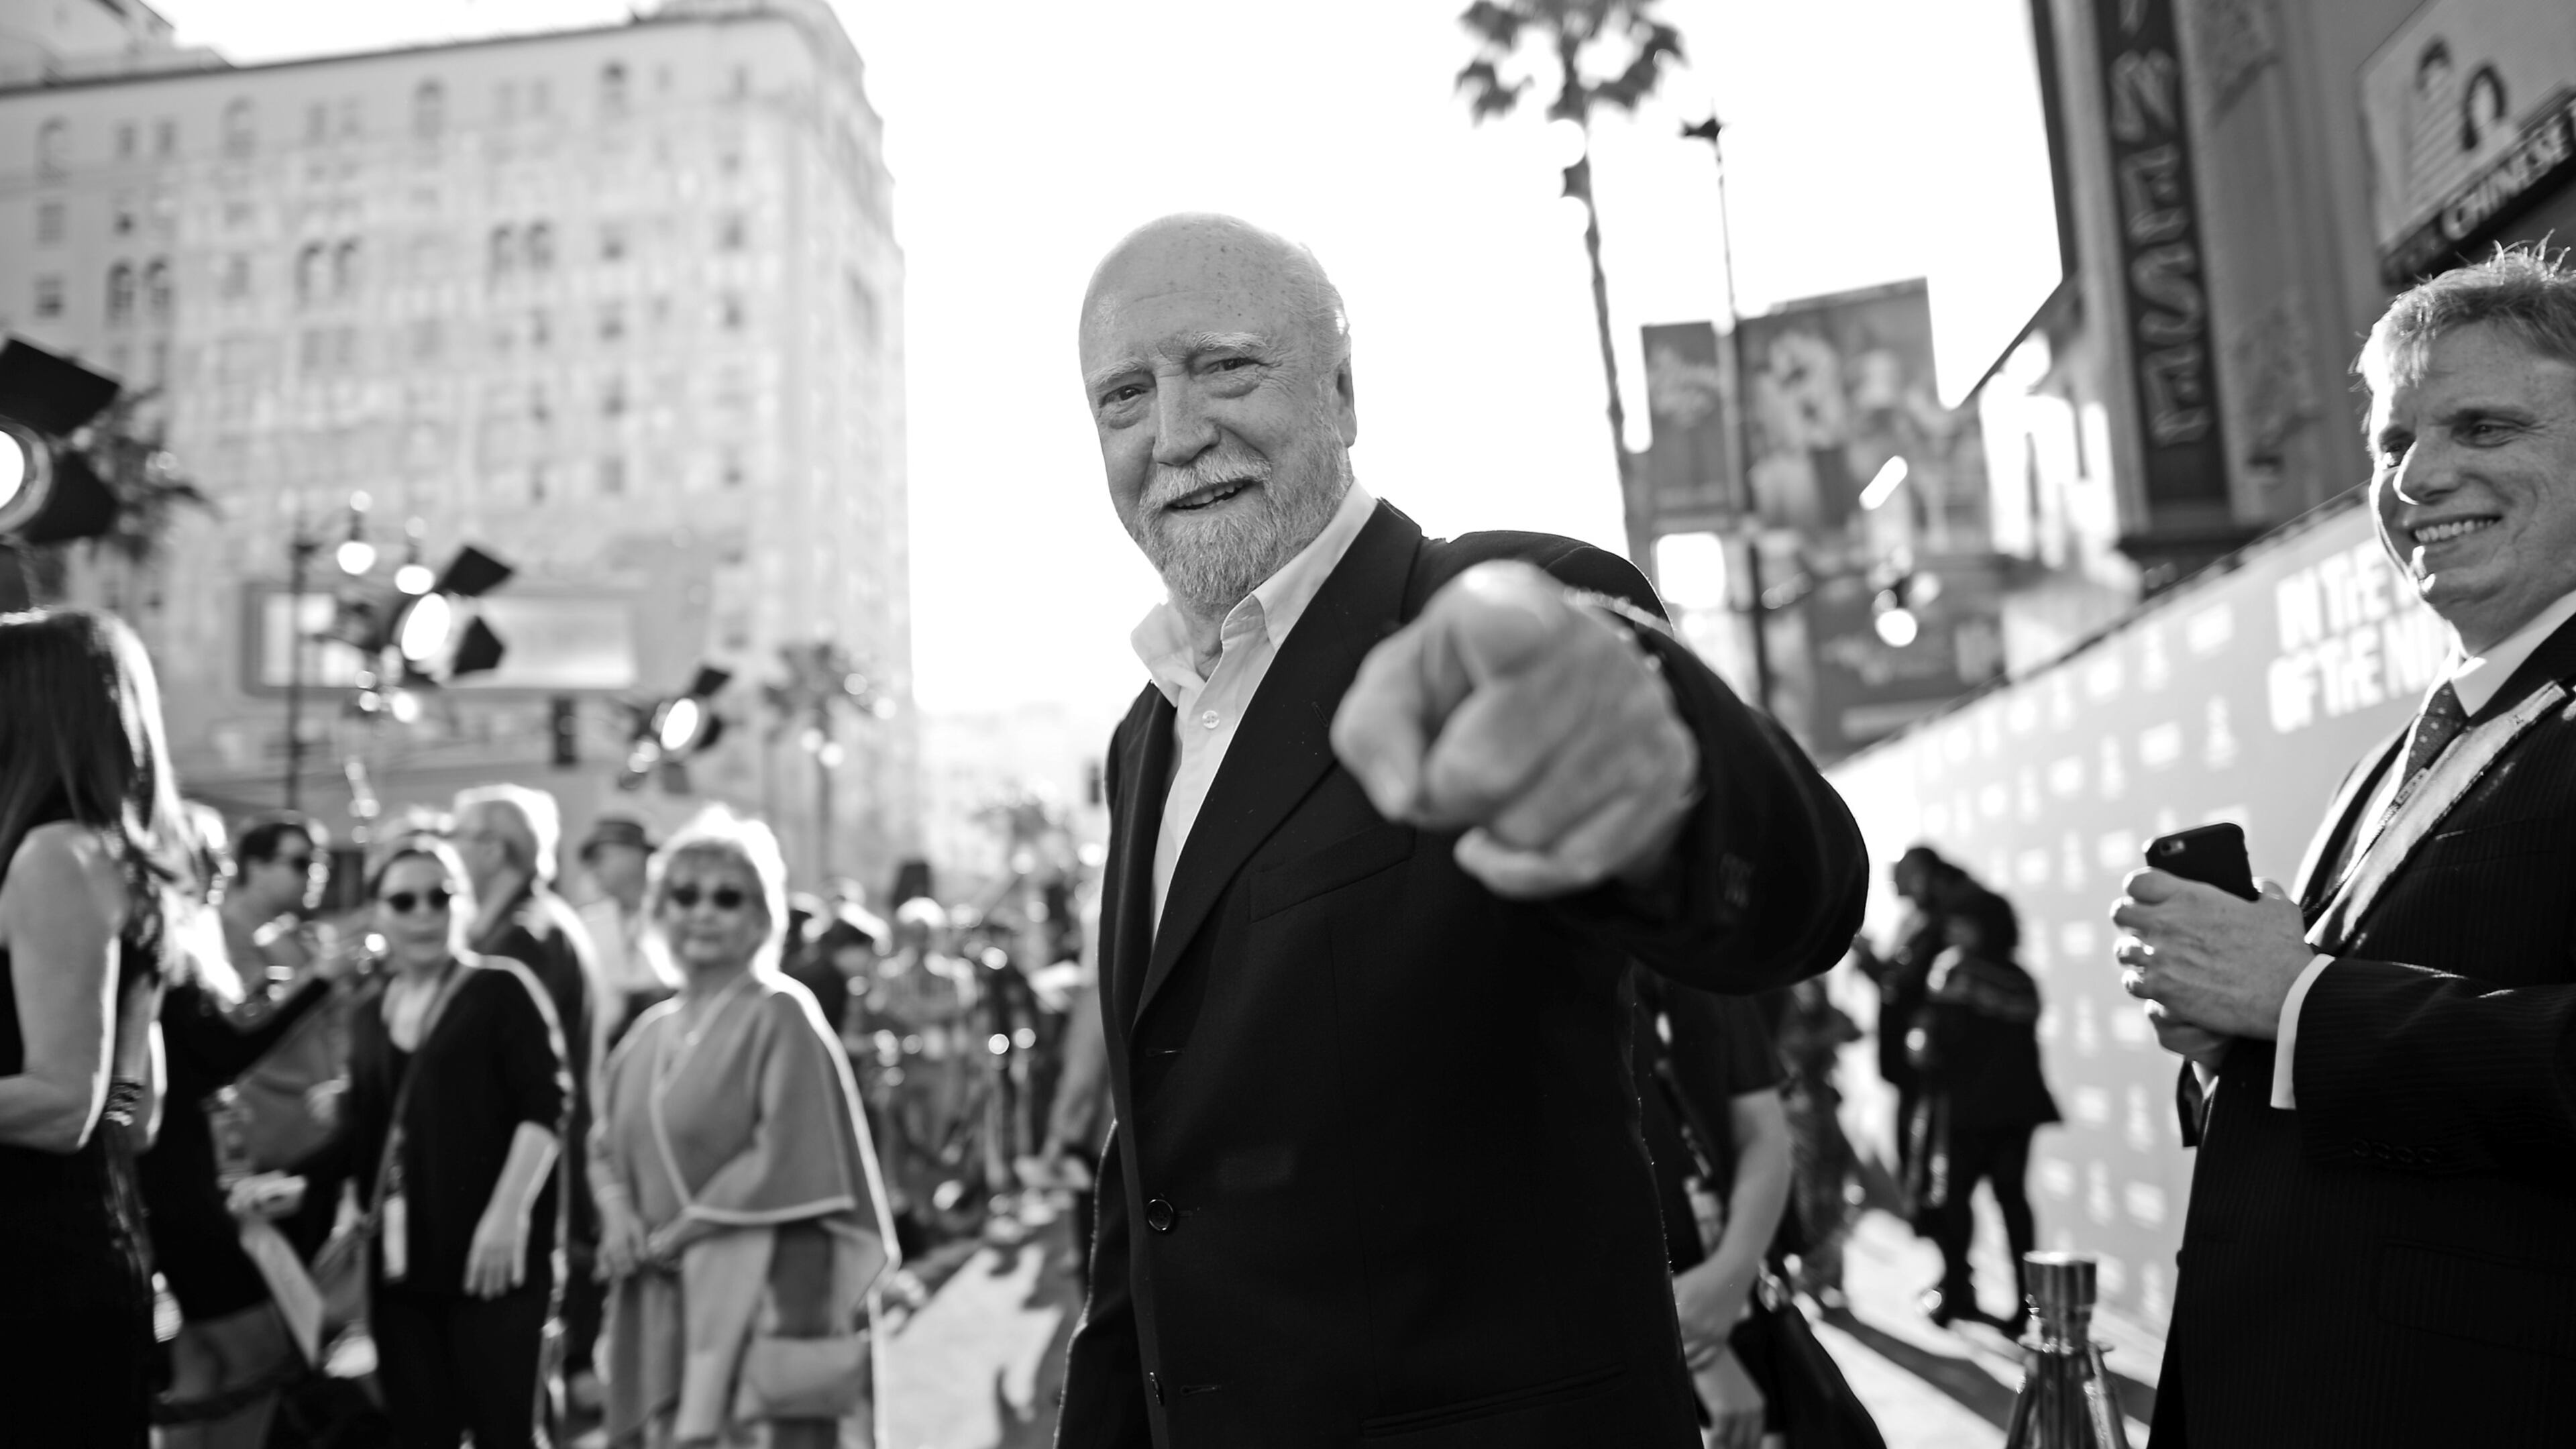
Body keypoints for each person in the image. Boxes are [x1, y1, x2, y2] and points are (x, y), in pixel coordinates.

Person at [1057, 214, 1867, 1447]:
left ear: (1341, 392)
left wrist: (1645, 754)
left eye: (1225, 366)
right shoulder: (1143, 738)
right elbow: (1152, 1185)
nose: (1174, 434)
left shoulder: (1506, 606)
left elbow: (1790, 896)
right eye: (1125, 395)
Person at [2114, 248, 2576, 1445]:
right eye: (2391, 442)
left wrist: (2304, 1002)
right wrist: (2236, 1034)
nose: (2420, 475)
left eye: (2484, 425)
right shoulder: (2413, 744)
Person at [590, 811, 896, 1449]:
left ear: (762, 916)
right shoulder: (649, 1030)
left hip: (763, 1299)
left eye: (727, 897)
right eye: (684, 895)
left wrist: (689, 1228)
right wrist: (617, 1212)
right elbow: (602, 1145)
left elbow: (791, 1149)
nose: (702, 912)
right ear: (658, 910)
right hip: (660, 1289)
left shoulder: (781, 1010)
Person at [297, 837, 569, 1448]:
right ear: (378, 913)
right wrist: (292, 1181)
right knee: (422, 1432)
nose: (424, 913)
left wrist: (508, 1216)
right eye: (404, 900)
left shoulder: (501, 988)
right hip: (401, 1270)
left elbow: (546, 1104)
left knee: (506, 1433)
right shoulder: (370, 1011)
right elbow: (365, 1135)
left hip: (492, 1261)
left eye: (440, 897)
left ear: (463, 904)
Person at [0, 608, 182, 1446]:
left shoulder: (53, 859)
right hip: (83, 1257)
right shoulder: (117, 858)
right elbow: (131, 1114)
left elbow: (65, 1101)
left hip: (32, 1277)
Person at [143, 805, 355, 1446]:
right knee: (258, 1345)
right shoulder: (164, 939)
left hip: (186, 1173)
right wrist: (316, 984)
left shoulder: (180, 937)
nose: (218, 871)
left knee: (207, 1356)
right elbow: (215, 1057)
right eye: (204, 855)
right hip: (178, 1183)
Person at [453, 784, 602, 1415]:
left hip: (524, 1180)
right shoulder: (540, 923)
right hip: (537, 1174)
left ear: (491, 850)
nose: (450, 856)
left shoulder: (523, 938)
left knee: (511, 1390)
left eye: (458, 840)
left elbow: (514, 1082)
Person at [1634, 969, 1798, 1449]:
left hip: (1730, 1294)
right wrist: (1699, 1354)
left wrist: (1732, 1272)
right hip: (1612, 1339)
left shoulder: (1698, 950)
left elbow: (1762, 1130)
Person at [1906, 888, 2056, 1332]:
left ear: (1981, 925)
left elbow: (1937, 1042)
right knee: (2013, 1202)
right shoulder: (2022, 978)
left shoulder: (1955, 968)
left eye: (1960, 922)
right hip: (2017, 1108)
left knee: (1955, 1202)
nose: (1952, 930)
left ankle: (1955, 1296)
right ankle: (2030, 1310)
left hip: (1966, 1107)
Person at [223, 812, 358, 1260]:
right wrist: (320, 976)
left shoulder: (293, 933)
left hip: (313, 1133)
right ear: (256, 868)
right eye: (301, 862)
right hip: (271, 1135)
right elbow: (249, 1019)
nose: (316, 873)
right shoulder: (228, 929)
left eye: (320, 862)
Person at [1849, 845, 1968, 1203]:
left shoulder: (1942, 921)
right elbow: (1895, 980)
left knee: (1932, 1153)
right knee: (1913, 1148)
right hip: (1907, 1060)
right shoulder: (1914, 921)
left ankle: (1936, 1224)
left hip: (1930, 1062)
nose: (1894, 883)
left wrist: (1870, 961)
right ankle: (1923, 1213)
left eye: (1900, 875)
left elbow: (1906, 983)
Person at [574, 814, 675, 1078]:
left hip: (666, 1055)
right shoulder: (587, 924)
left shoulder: (677, 916)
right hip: (603, 1059)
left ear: (635, 856)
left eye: (602, 856)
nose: (594, 868)